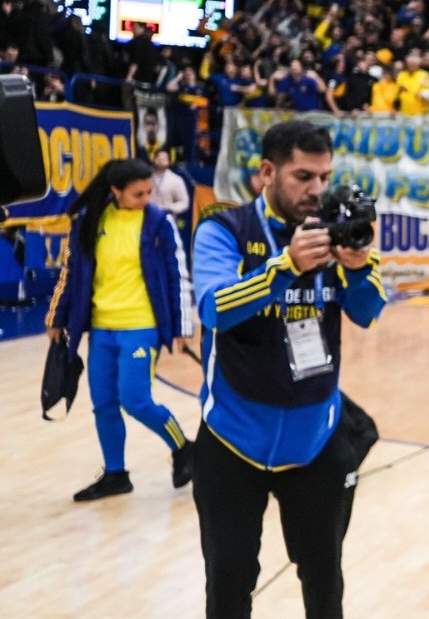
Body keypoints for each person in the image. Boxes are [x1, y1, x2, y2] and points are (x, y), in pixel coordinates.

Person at [190, 120, 386, 618]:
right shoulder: (223, 229)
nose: (316, 190)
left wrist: (359, 266)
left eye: (323, 177)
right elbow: (213, 308)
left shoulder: (333, 227)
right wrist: (286, 267)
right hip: (233, 442)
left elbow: (368, 311)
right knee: (229, 586)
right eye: (303, 176)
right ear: (266, 173)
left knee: (325, 584)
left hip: (315, 442)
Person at [45, 158, 194, 501]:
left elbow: (178, 274)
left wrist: (183, 325)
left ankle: (184, 446)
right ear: (115, 191)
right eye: (138, 193)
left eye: (148, 192)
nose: (146, 199)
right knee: (104, 404)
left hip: (141, 327)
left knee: (136, 400)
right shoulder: (90, 222)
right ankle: (116, 474)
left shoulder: (158, 223)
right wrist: (57, 316)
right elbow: (71, 273)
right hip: (102, 330)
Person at [148, 149, 191, 222]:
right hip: (148, 219)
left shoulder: (176, 180)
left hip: (167, 219)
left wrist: (170, 208)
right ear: (154, 159)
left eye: (164, 158)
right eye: (158, 158)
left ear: (168, 161)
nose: (161, 160)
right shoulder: (146, 178)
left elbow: (184, 202)